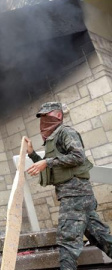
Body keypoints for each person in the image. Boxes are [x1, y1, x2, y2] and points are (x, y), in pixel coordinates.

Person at [25, 101, 112, 270]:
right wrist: (32, 154)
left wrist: (46, 161)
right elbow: (52, 165)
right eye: (41, 117)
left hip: (75, 195)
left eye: (46, 115)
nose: (43, 120)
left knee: (67, 240)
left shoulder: (66, 132)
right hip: (77, 195)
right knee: (100, 236)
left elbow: (78, 157)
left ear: (58, 115)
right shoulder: (53, 138)